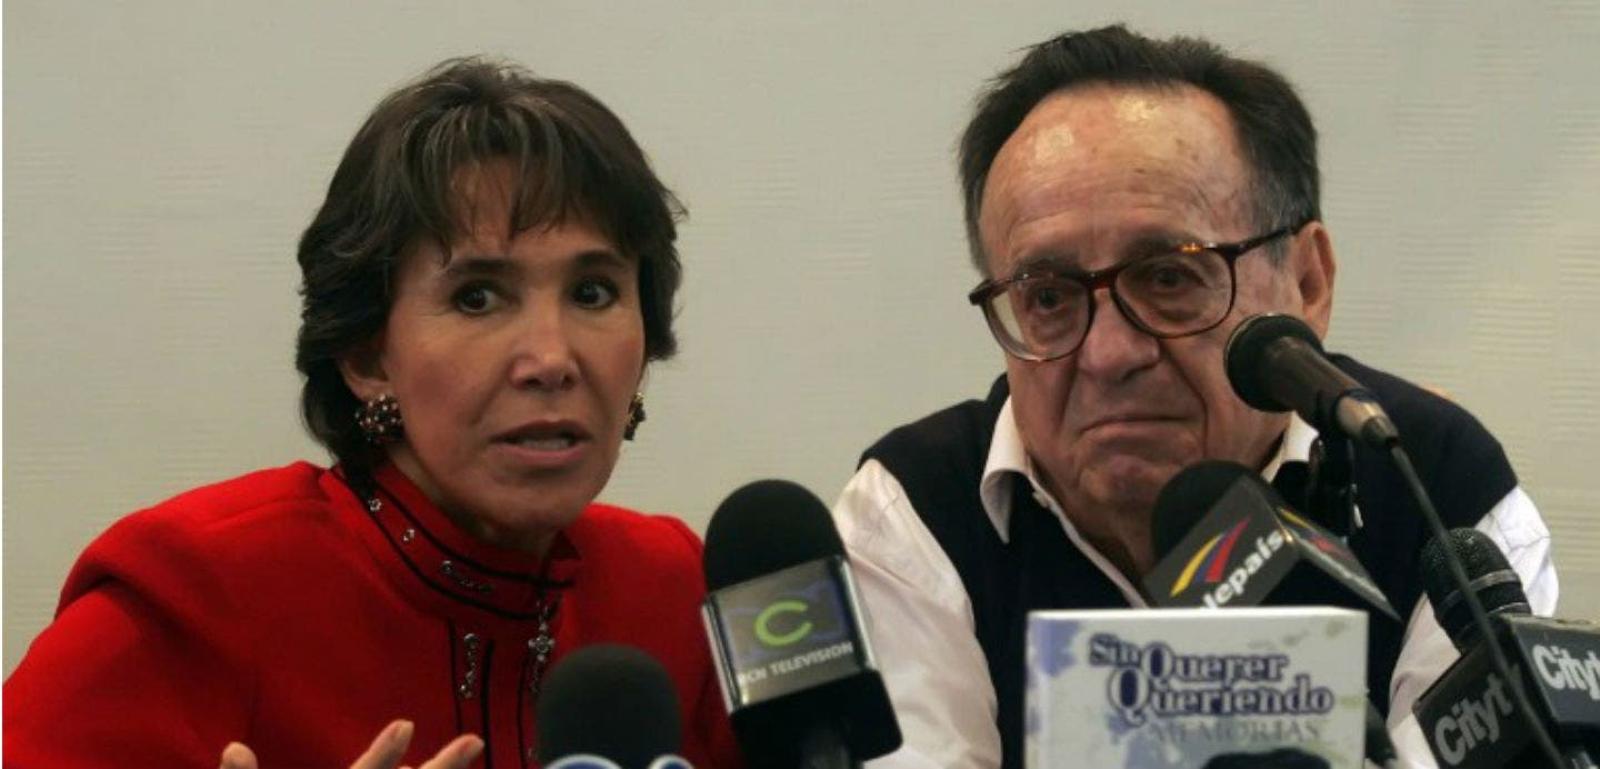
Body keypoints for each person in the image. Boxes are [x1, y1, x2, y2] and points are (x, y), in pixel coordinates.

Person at [831, 25, 1557, 769]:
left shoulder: (1433, 485)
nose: (1109, 354)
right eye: (1047, 295)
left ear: (1306, 282)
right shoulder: (916, 512)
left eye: (1169, 277)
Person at [5, 57, 743, 769]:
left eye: (592, 293)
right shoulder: (197, 591)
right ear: (366, 356)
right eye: (477, 297)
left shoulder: (671, 588)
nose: (551, 359)